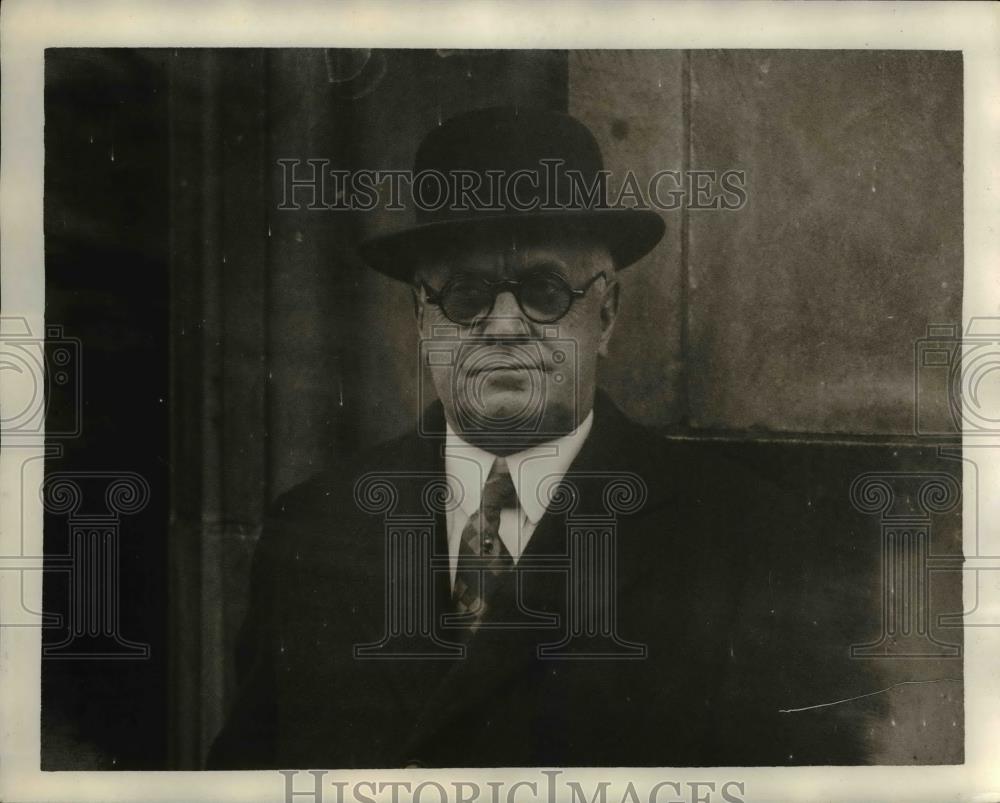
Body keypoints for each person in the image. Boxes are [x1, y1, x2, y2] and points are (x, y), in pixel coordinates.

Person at [207, 107, 873, 769]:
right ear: (420, 314)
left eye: (543, 290)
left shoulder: (740, 538)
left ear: (605, 313)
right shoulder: (312, 531)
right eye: (466, 294)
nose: (502, 326)